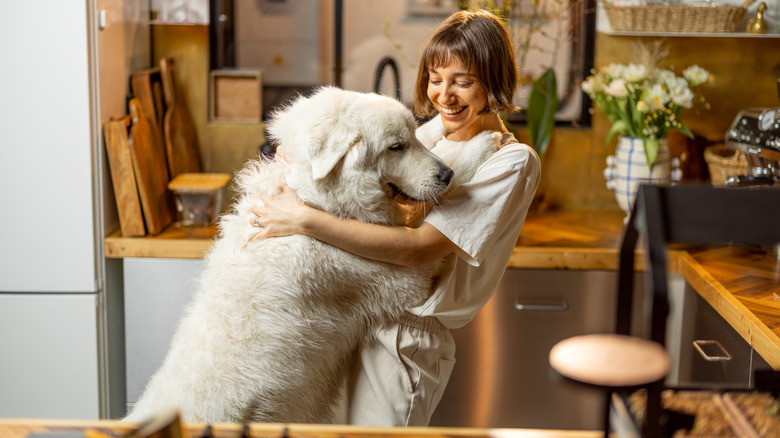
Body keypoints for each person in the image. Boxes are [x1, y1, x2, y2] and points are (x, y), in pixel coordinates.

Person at [250, 9, 541, 427]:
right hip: (354, 315)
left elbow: (418, 249)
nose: (445, 95)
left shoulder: (512, 161)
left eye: (463, 81)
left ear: (494, 80)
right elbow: (384, 206)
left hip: (405, 339)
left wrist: (303, 219)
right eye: (436, 79)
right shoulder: (429, 136)